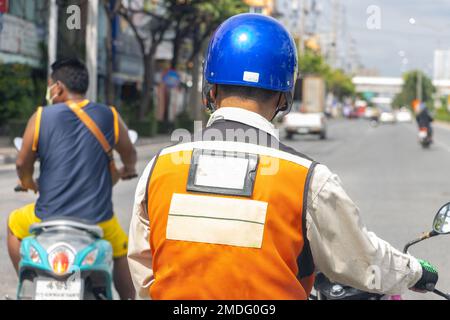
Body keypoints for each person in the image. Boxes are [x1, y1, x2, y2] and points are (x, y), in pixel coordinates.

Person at [128, 14, 438, 299]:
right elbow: (363, 261)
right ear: (283, 97)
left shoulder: (161, 166)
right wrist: (415, 271)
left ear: (210, 91)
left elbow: (144, 271)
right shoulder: (307, 178)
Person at [7, 58, 137, 300]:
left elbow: (21, 163)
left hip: (46, 217)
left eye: (49, 86)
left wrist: (27, 182)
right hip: (98, 220)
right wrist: (128, 169)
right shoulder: (109, 115)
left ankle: (28, 283)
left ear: (57, 87)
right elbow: (129, 153)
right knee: (120, 249)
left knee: (14, 224)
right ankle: (128, 297)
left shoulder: (40, 117)